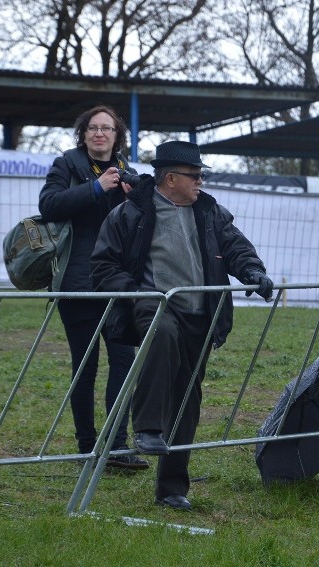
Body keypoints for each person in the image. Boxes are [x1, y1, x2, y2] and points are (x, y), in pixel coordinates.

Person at [90, 140, 274, 510]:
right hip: (153, 303)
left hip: (201, 314)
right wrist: (136, 292)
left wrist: (253, 271)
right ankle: (146, 427)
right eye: (194, 176)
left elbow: (237, 248)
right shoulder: (130, 214)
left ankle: (172, 488)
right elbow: (103, 266)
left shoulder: (210, 212)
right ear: (170, 178)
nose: (200, 182)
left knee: (188, 397)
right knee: (163, 332)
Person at [38, 105, 148, 470]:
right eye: (93, 128)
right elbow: (49, 205)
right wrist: (96, 188)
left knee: (123, 361)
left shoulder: (127, 171)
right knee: (84, 365)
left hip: (118, 283)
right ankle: (86, 445)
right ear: (83, 134)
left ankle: (116, 446)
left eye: (108, 128)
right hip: (78, 282)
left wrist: (137, 197)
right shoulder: (66, 165)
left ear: (118, 136)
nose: (100, 133)